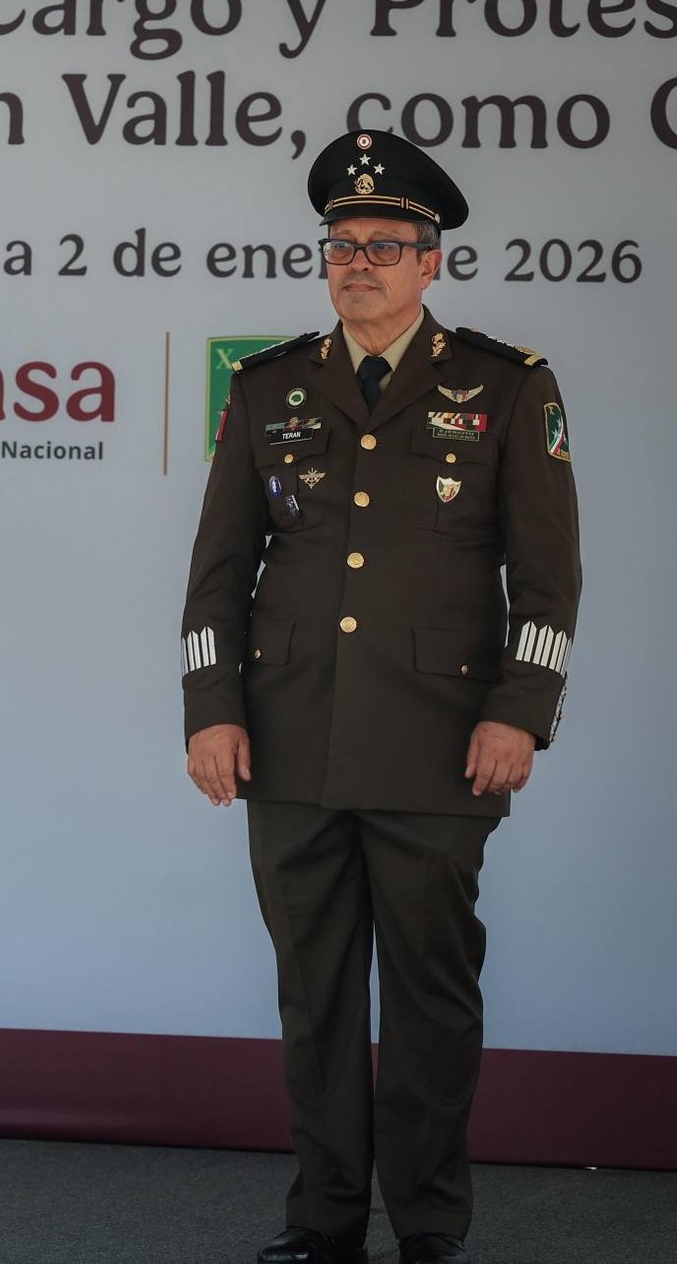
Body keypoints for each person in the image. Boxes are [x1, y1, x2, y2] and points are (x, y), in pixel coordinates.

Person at [179, 132, 580, 1264]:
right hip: (289, 741)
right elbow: (216, 570)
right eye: (342, 244)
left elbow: (548, 576)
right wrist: (211, 707)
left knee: (430, 1001)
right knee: (312, 1001)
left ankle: (428, 1224)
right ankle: (321, 1221)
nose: (358, 263)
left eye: (384, 246)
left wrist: (520, 708)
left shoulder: (505, 385)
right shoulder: (268, 384)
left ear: (429, 262)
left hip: (439, 744)